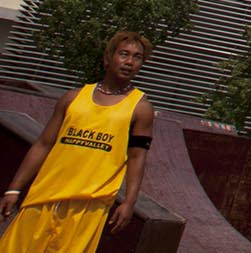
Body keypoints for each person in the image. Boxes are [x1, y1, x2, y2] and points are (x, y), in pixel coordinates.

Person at [0, 30, 156, 253]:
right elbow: (43, 144)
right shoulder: (73, 98)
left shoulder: (140, 108)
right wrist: (13, 189)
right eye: (123, 54)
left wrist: (129, 202)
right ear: (107, 58)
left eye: (137, 57)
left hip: (88, 206)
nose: (129, 61)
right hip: (43, 197)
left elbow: (137, 156)